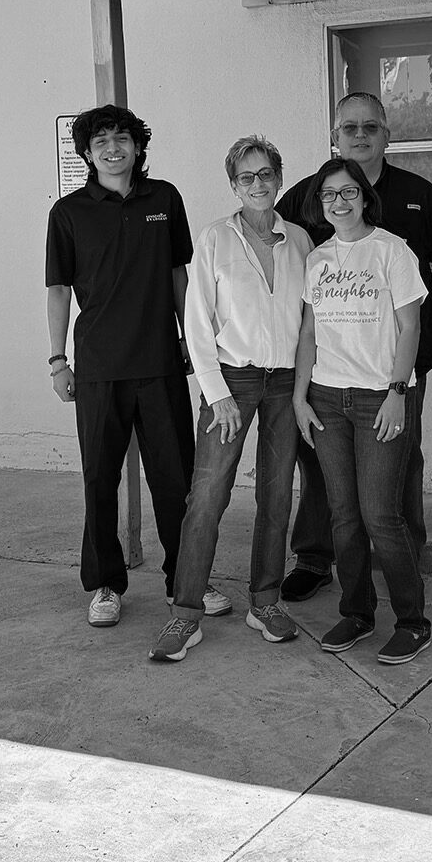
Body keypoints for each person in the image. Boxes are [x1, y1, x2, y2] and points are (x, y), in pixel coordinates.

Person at [275, 92, 432, 602]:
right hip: (329, 374)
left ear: (386, 134)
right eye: (348, 128)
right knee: (321, 466)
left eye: (370, 126)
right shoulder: (306, 194)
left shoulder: (417, 194)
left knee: (401, 459)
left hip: (395, 370)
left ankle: (401, 554)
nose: (359, 135)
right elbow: (276, 255)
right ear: (334, 137)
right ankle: (316, 558)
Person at [46, 104, 214, 629]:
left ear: (138, 147)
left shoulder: (164, 198)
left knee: (176, 477)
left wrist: (192, 337)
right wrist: (57, 360)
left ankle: (184, 581)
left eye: (122, 138)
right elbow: (58, 290)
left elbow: (178, 273)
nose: (113, 149)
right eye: (101, 142)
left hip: (161, 361)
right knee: (100, 477)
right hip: (97, 365)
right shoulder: (68, 212)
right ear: (87, 153)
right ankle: (104, 584)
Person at [149, 137, 312, 663]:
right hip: (233, 382)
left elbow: (310, 321)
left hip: (286, 383)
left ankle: (265, 601)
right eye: (247, 177)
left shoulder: (301, 240)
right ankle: (186, 613)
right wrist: (216, 393)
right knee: (207, 496)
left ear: (279, 177)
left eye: (266, 174)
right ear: (233, 185)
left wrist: (306, 387)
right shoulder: (216, 239)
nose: (258, 184)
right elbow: (197, 323)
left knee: (276, 494)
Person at [292, 160, 431, 663]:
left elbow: (410, 328)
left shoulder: (392, 250)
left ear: (364, 195)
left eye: (349, 191)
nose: (340, 202)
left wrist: (399, 391)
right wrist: (298, 397)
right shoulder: (318, 258)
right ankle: (357, 611)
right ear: (319, 202)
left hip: (380, 396)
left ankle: (413, 622)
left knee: (380, 516)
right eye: (329, 194)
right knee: (344, 516)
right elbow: (309, 333)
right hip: (327, 398)